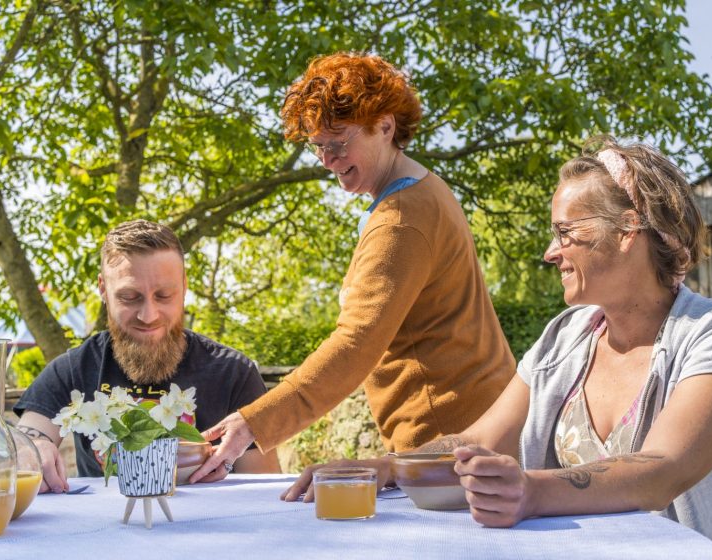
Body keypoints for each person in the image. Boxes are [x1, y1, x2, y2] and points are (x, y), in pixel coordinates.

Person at [282, 137, 712, 558]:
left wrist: (530, 491)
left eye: (565, 233)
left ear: (628, 230)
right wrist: (389, 466)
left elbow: (662, 470)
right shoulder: (565, 336)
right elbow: (478, 441)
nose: (551, 252)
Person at [190, 52, 516, 481]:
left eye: (339, 142)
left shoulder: (402, 218)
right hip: (467, 433)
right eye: (318, 146)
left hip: (449, 443)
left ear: (385, 126)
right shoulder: (422, 192)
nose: (327, 159)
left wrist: (255, 421)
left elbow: (356, 345)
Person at [14, 219, 280, 493]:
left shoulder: (234, 373)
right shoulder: (73, 369)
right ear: (103, 289)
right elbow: (27, 440)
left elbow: (263, 494)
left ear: (185, 287)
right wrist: (33, 448)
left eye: (164, 295)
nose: (148, 316)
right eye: (130, 297)